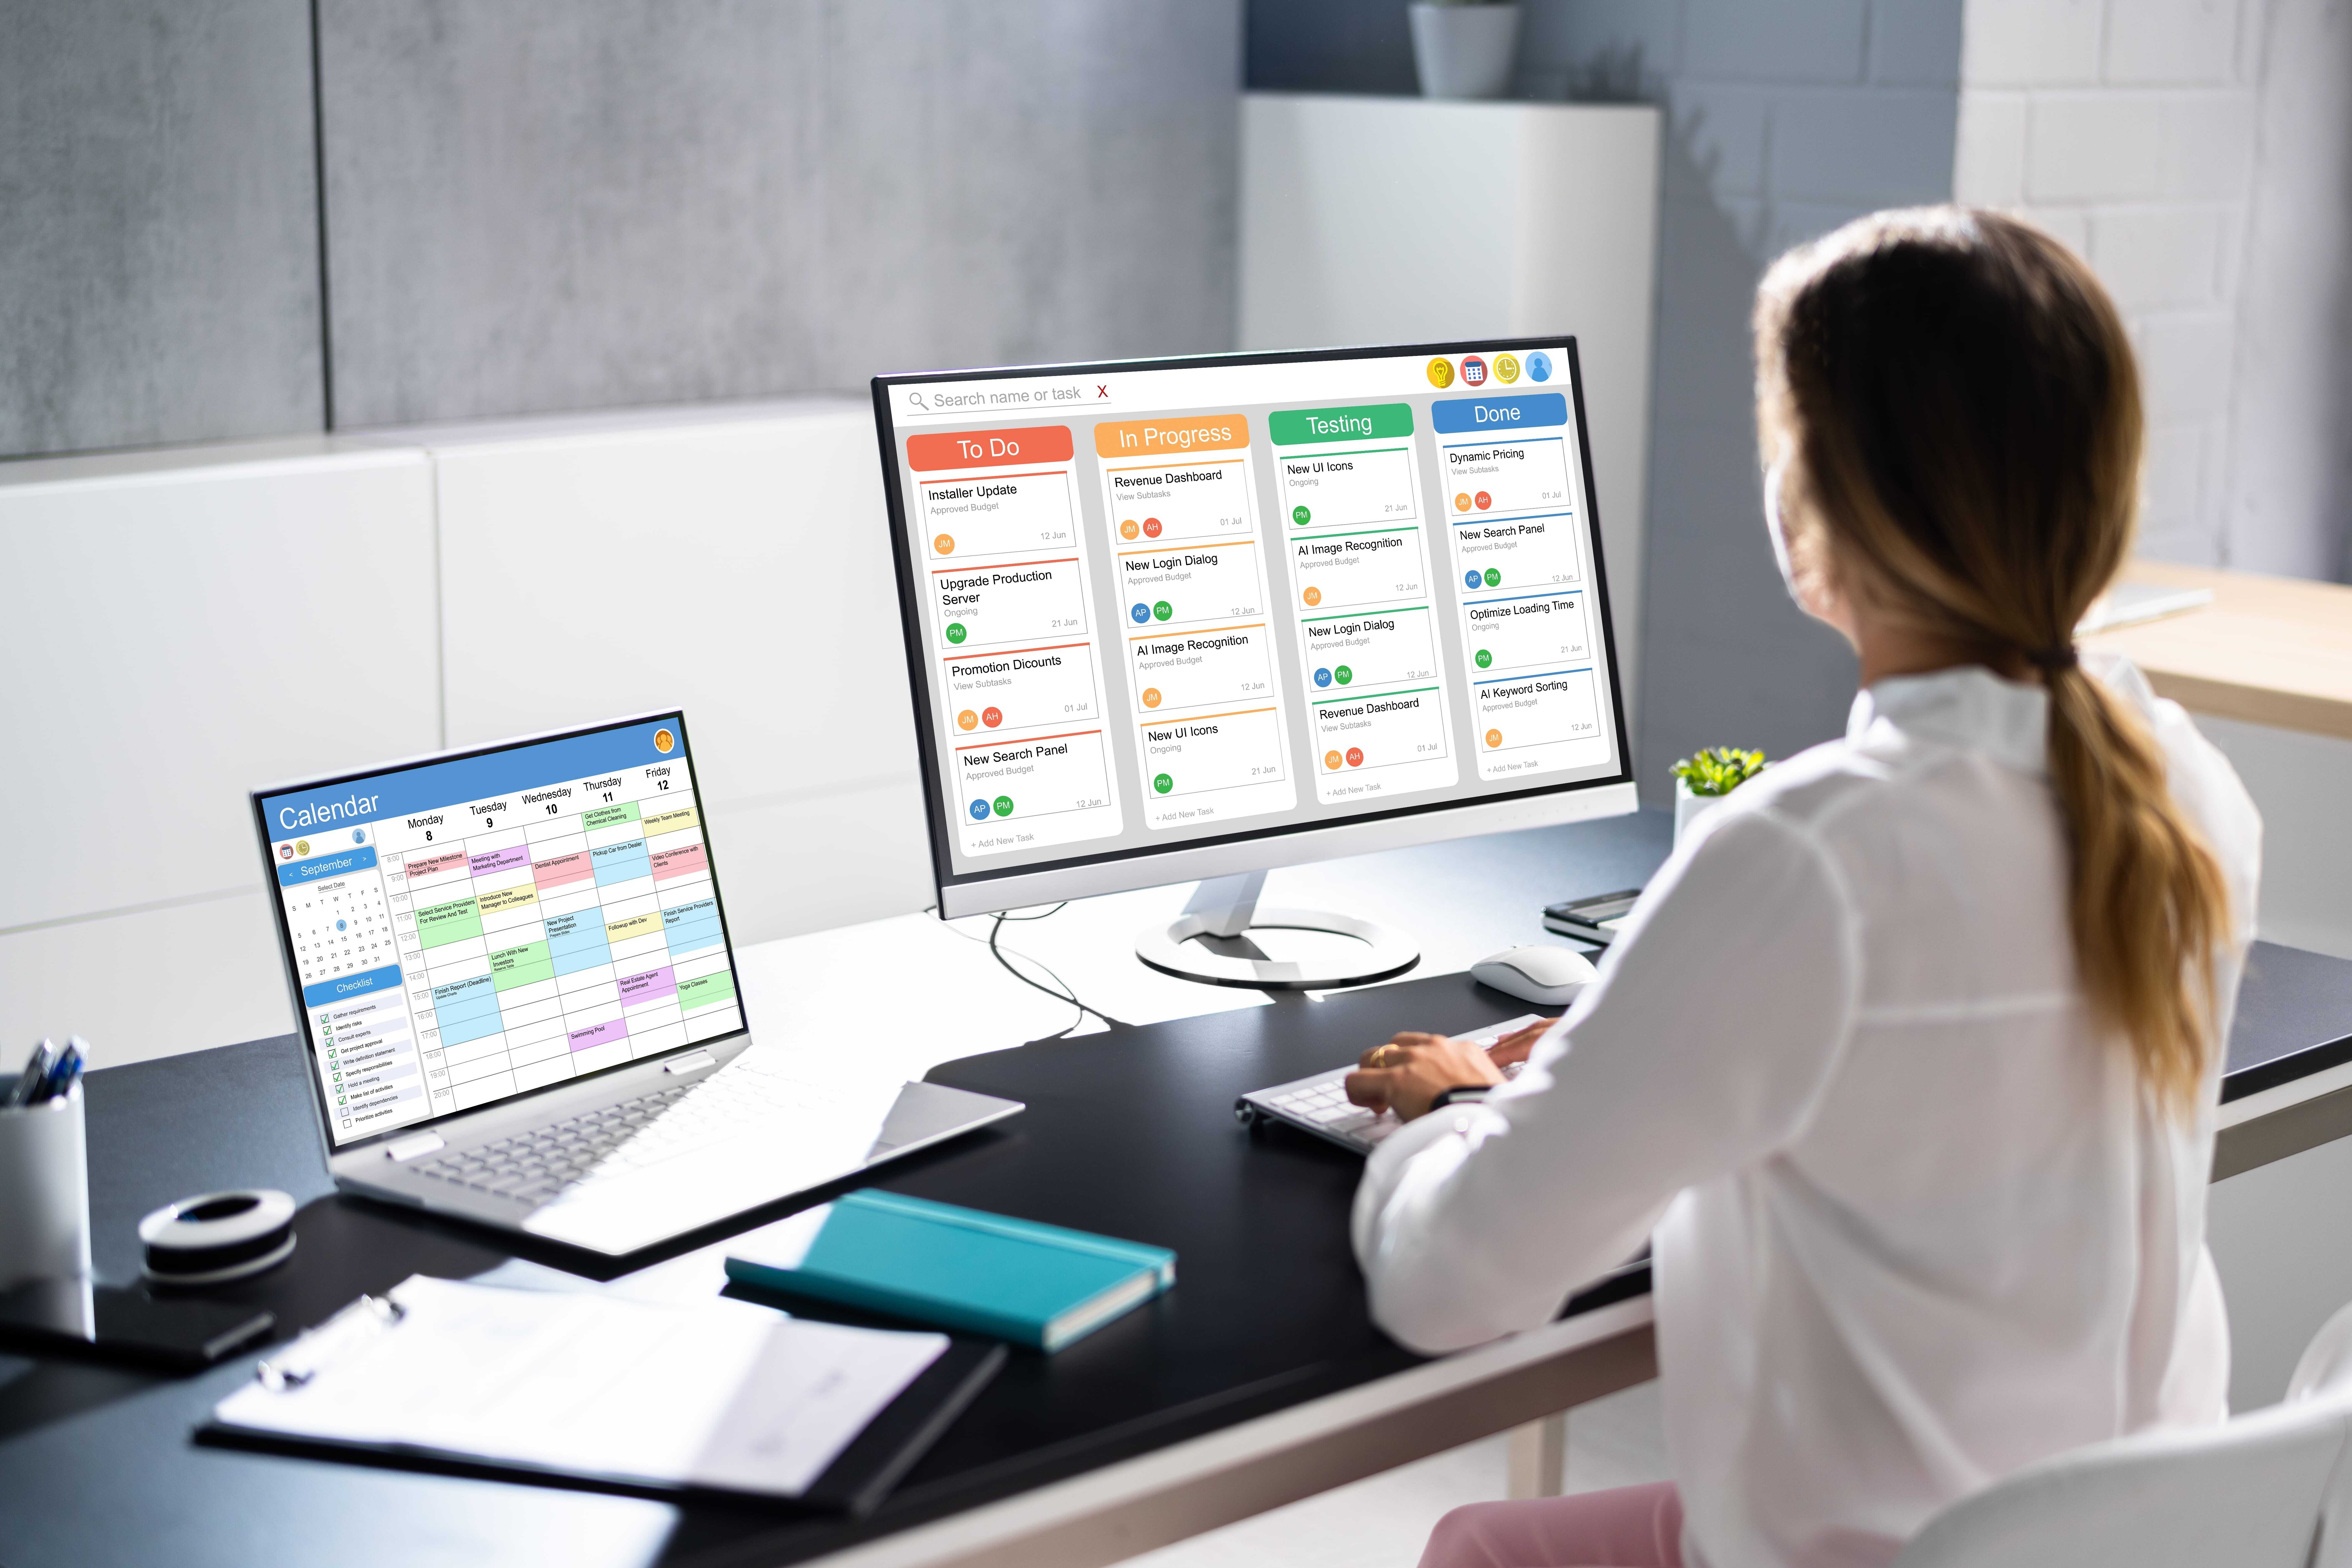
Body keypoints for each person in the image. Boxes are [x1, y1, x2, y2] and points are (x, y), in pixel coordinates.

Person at [1344, 207, 2261, 1568]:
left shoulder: (1806, 859)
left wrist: (1470, 1113)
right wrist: (1664, 1047)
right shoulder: (2186, 791)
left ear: (1811, 498)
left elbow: (1448, 1288)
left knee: (1476, 1550)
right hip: (2127, 1538)